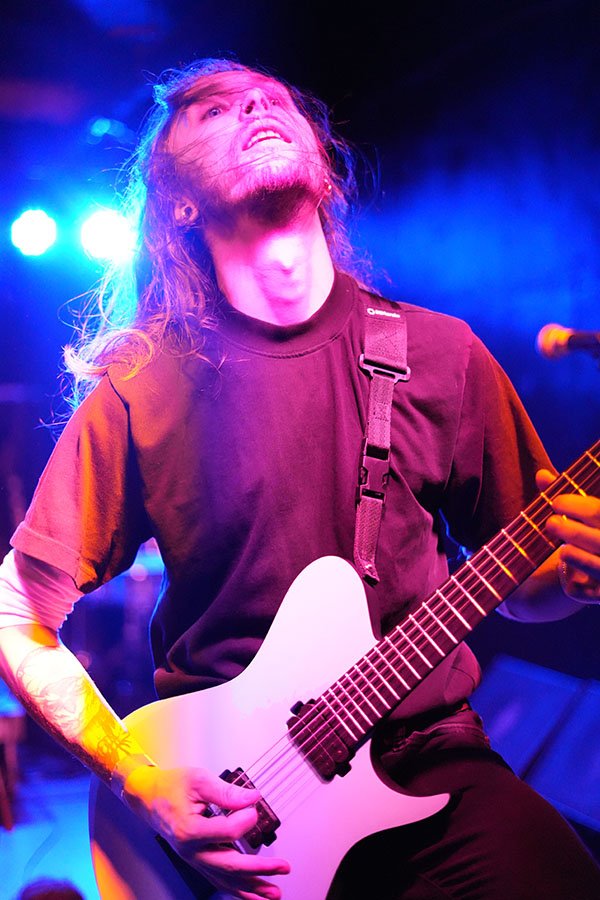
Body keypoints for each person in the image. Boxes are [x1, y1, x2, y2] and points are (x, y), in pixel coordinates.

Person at [0, 57, 600, 900]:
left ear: (323, 168)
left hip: (429, 758)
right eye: (212, 111)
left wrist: (576, 577)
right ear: (178, 202)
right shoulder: (144, 386)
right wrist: (136, 775)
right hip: (233, 806)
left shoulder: (443, 355)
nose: (256, 102)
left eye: (272, 98)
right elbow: (18, 613)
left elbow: (526, 585)